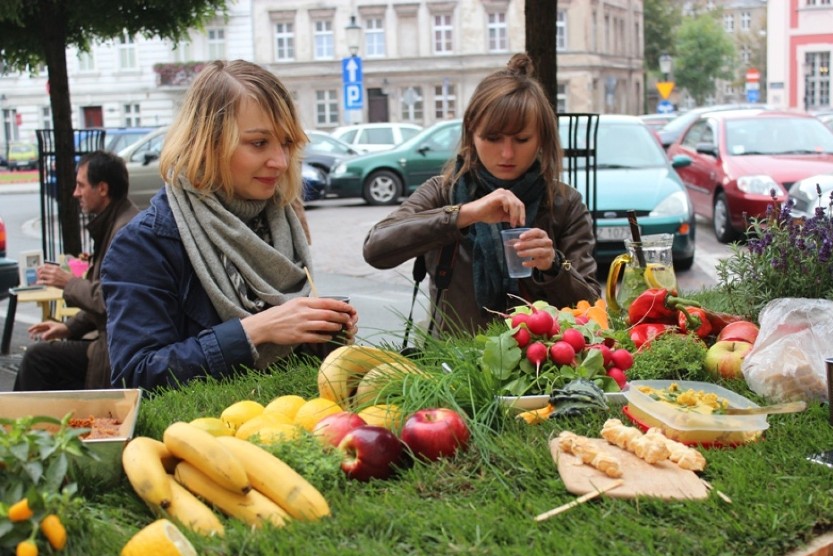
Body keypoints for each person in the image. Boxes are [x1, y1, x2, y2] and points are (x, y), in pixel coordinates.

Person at [100, 59, 357, 391]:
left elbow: (287, 366)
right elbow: (136, 377)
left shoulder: (281, 224)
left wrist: (321, 335)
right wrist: (254, 331)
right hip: (201, 439)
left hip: (286, 432)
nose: (280, 161)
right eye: (259, 143)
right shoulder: (145, 244)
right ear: (207, 143)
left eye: (287, 143)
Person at [363, 53, 600, 336]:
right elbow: (376, 248)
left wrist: (554, 265)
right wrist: (463, 215)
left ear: (542, 138)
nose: (507, 153)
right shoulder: (443, 192)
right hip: (454, 368)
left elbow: (591, 305)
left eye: (522, 139)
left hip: (541, 368)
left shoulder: (563, 203)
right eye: (492, 138)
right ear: (472, 135)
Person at [14, 150, 140, 391]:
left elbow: (112, 300)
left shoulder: (125, 232)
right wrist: (69, 328)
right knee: (41, 358)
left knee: (37, 359)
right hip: (109, 345)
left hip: (116, 353)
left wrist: (68, 282)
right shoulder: (116, 222)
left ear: (102, 188)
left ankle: (21, 428)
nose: (75, 193)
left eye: (81, 185)